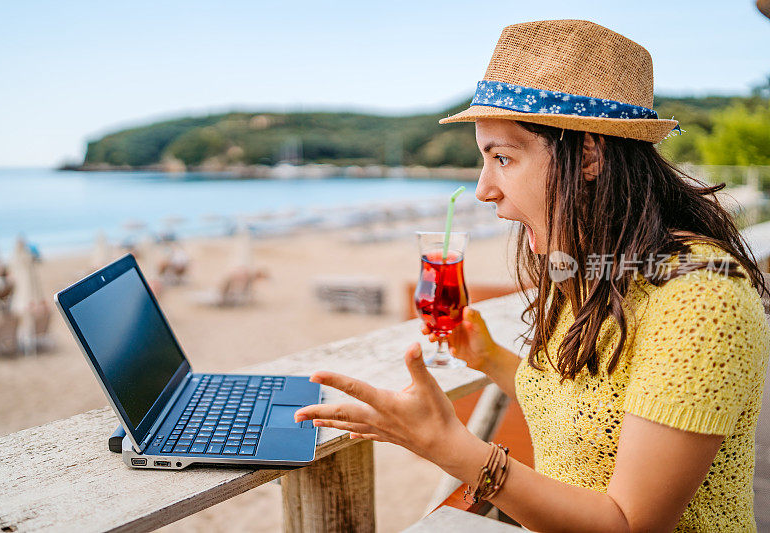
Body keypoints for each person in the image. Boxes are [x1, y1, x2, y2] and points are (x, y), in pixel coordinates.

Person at [294, 19, 770, 532]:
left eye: (503, 157)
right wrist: (489, 358)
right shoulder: (592, 267)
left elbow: (629, 525)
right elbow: (592, 407)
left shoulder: (702, 299)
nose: (484, 189)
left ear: (589, 153)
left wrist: (447, 447)